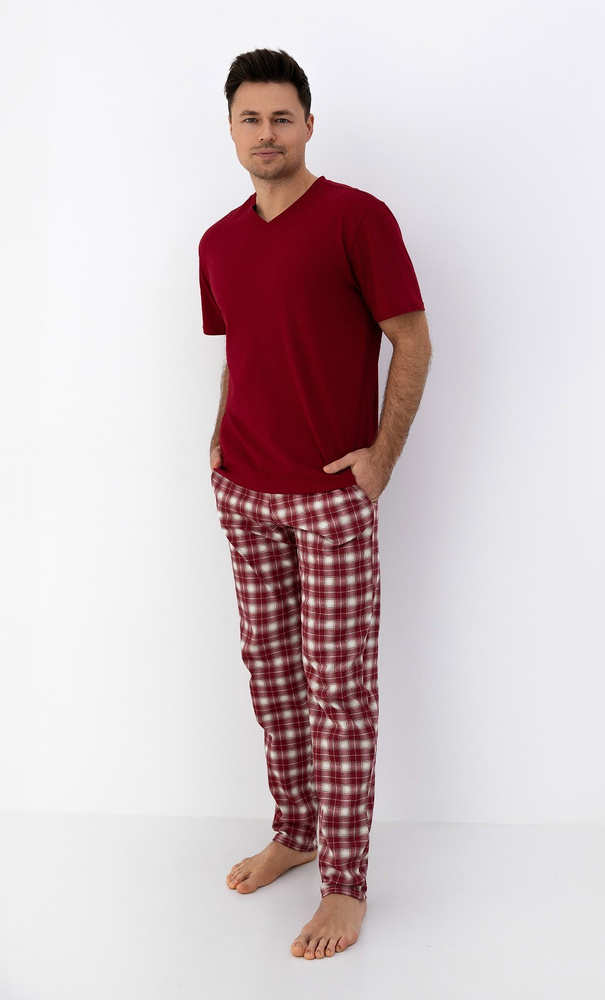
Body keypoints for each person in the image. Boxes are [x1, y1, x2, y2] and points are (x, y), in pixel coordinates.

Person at [198, 48, 431, 960]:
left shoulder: (356, 219)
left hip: (330, 499)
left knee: (338, 694)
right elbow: (242, 349)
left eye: (281, 117)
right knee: (270, 676)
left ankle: (343, 883)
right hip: (244, 492)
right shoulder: (217, 242)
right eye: (249, 119)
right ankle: (295, 831)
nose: (266, 134)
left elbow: (410, 339)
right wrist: (218, 437)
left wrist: (380, 460)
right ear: (230, 129)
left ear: (307, 124)